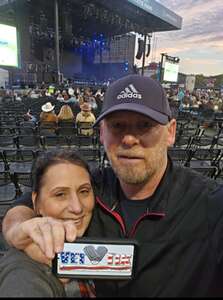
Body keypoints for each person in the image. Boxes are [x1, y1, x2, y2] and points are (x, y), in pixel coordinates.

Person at [2, 74, 223, 297]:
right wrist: (18, 230)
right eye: (117, 126)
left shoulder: (210, 204)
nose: (129, 139)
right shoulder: (88, 189)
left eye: (145, 126)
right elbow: (26, 205)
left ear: (170, 132)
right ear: (101, 134)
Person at [0, 149, 95, 297]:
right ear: (35, 202)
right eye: (60, 194)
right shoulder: (23, 272)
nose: (77, 208)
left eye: (84, 191)